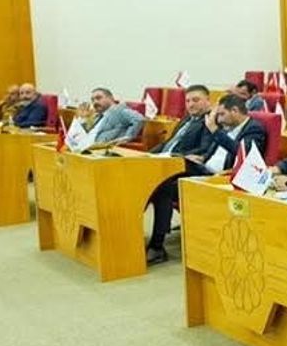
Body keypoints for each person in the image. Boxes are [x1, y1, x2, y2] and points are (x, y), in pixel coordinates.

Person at [145, 95, 267, 265]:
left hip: (222, 178)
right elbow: (211, 152)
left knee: (167, 177)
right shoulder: (226, 127)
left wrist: (214, 131)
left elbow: (243, 155)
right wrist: (201, 157)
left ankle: (157, 246)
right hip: (203, 169)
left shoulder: (254, 129)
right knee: (162, 186)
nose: (218, 118)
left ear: (235, 111)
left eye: (222, 114)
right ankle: (156, 245)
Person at [150, 85, 212, 157]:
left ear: (208, 100)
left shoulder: (210, 121)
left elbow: (203, 149)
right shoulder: (186, 118)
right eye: (187, 101)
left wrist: (172, 155)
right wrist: (147, 154)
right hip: (163, 158)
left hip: (178, 161)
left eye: (196, 100)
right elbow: (170, 141)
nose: (190, 105)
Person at [80, 88, 145, 144]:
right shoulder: (97, 116)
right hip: (88, 147)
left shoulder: (119, 110)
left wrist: (127, 137)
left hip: (106, 150)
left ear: (111, 98)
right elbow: (84, 132)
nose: (95, 102)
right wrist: (84, 119)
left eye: (98, 98)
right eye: (92, 100)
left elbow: (139, 119)